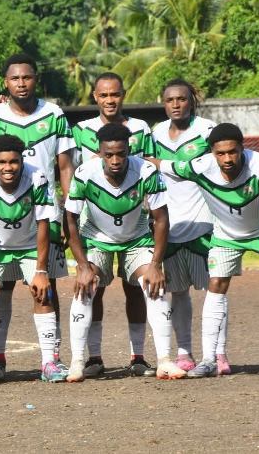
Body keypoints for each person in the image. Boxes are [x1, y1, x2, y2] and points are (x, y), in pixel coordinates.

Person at [156, 122, 259, 377]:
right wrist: (132, 160)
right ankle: (208, 360)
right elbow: (162, 164)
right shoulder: (199, 167)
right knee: (216, 285)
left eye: (232, 152)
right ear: (211, 152)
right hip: (226, 236)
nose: (227, 159)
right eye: (220, 153)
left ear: (242, 148)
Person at [0, 53, 74, 379]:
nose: (21, 83)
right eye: (15, 78)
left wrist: (68, 212)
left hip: (43, 213)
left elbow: (65, 167)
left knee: (46, 285)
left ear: (35, 80)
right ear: (6, 82)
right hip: (0, 220)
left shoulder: (54, 114)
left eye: (26, 77)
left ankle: (52, 357)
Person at [65, 123, 186, 382]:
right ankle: (80, 362)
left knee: (155, 287)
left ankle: (162, 360)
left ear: (129, 150)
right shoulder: (84, 173)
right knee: (85, 287)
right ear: (99, 152)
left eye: (121, 154)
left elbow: (161, 219)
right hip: (96, 238)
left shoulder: (147, 172)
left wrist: (156, 264)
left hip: (136, 239)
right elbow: (71, 220)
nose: (115, 160)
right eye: (109, 155)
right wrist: (83, 266)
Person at [71, 72, 156, 378]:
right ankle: (94, 358)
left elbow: (150, 167)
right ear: (95, 97)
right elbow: (70, 169)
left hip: (134, 221)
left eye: (115, 94)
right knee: (95, 288)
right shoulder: (81, 130)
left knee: (136, 289)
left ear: (123, 95)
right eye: (104, 95)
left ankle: (138, 357)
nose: (110, 100)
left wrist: (150, 207)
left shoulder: (141, 128)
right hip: (94, 222)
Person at [0, 135, 65, 383]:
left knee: (43, 293)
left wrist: (41, 271)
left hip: (30, 244)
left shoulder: (37, 177)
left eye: (13, 162)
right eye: (1, 162)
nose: (8, 167)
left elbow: (44, 223)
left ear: (22, 161)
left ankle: (49, 363)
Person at [150, 79, 228, 373]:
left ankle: (219, 353)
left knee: (216, 291)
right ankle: (184, 351)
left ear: (191, 101)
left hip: (204, 225)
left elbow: (206, 170)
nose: (176, 104)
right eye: (170, 100)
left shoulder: (207, 131)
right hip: (169, 227)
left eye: (181, 99)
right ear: (163, 103)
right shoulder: (156, 133)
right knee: (178, 292)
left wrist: (160, 164)